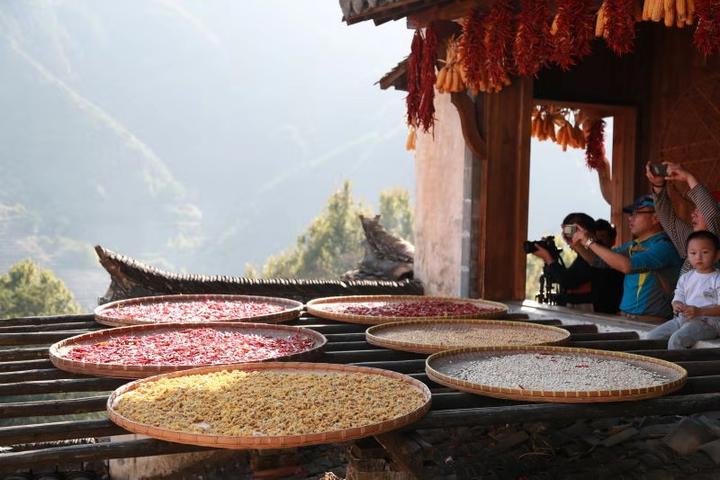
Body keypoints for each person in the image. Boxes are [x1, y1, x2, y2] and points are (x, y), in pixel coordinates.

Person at [572, 195, 682, 322]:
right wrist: (577, 244)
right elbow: (598, 261)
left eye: (637, 213)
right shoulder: (633, 245)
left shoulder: (664, 247)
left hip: (651, 322)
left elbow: (627, 266)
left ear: (656, 217)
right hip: (628, 318)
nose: (631, 218)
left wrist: (590, 241)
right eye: (631, 214)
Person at [530, 213, 623, 313]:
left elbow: (568, 281)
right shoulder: (587, 251)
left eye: (572, 231)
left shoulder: (596, 252)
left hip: (598, 312)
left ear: (584, 231)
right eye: (566, 231)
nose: (568, 235)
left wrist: (549, 259)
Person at [646, 231, 720, 349]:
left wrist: (700, 312)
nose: (698, 257)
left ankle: (678, 366)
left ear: (717, 255)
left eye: (705, 252)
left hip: (709, 323)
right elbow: (679, 295)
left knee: (677, 340)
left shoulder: (717, 278)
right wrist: (677, 304)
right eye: (693, 253)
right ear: (687, 255)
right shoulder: (686, 277)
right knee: (652, 337)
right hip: (683, 319)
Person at [647, 161, 720, 274]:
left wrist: (688, 177)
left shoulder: (716, 239)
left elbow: (710, 213)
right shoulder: (691, 238)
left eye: (699, 210)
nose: (693, 214)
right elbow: (668, 219)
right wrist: (658, 186)